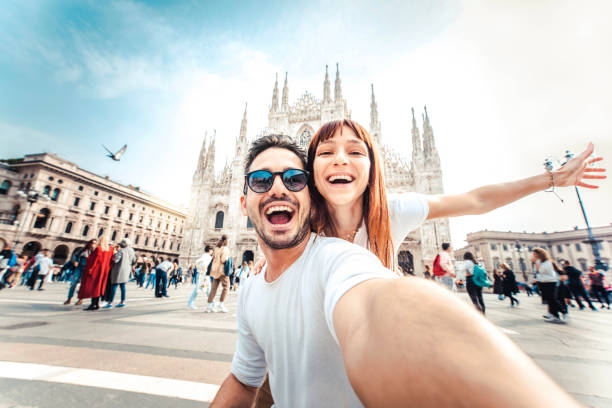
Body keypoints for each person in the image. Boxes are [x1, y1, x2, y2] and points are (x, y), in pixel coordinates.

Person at [211, 134, 579, 407]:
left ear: (374, 165)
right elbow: (242, 378)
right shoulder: (310, 217)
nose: (341, 161)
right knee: (267, 388)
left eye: (356, 152)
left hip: (363, 323)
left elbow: (474, 201)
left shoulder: (389, 210)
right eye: (326, 153)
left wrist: (548, 180)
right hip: (305, 338)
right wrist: (269, 264)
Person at [78, 236, 114, 310]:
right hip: (104, 271)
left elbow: (95, 260)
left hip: (96, 270)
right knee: (99, 287)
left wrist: (90, 268)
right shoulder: (110, 249)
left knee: (93, 287)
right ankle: (96, 304)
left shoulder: (99, 248)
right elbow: (111, 260)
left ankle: (93, 304)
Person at [531, 248, 565, 323]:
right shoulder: (539, 262)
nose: (534, 256)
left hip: (550, 282)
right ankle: (555, 316)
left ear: (540, 254)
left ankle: (564, 312)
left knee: (552, 299)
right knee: (549, 299)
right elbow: (536, 272)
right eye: (533, 254)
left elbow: (542, 271)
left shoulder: (547, 262)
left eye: (535, 254)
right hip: (543, 282)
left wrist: (536, 264)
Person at [104, 238, 136, 308]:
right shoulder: (132, 251)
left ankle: (110, 302)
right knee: (123, 286)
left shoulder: (121, 250)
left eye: (121, 242)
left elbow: (115, 260)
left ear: (124, 243)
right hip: (127, 270)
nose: (120, 244)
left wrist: (114, 254)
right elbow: (134, 260)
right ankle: (122, 301)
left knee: (114, 286)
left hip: (118, 270)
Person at [64, 239, 97, 305]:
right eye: (92, 243)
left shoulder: (95, 252)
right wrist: (74, 261)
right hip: (79, 268)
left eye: (95, 243)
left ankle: (80, 299)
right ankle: (69, 299)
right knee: (73, 284)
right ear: (89, 243)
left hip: (86, 270)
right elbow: (74, 256)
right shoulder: (83, 250)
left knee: (83, 286)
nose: (93, 245)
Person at [206, 234, 231, 313]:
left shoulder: (216, 248)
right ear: (226, 241)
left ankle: (209, 306)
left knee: (213, 289)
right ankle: (221, 304)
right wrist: (228, 259)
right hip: (222, 271)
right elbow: (223, 260)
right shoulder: (225, 249)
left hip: (215, 271)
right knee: (226, 287)